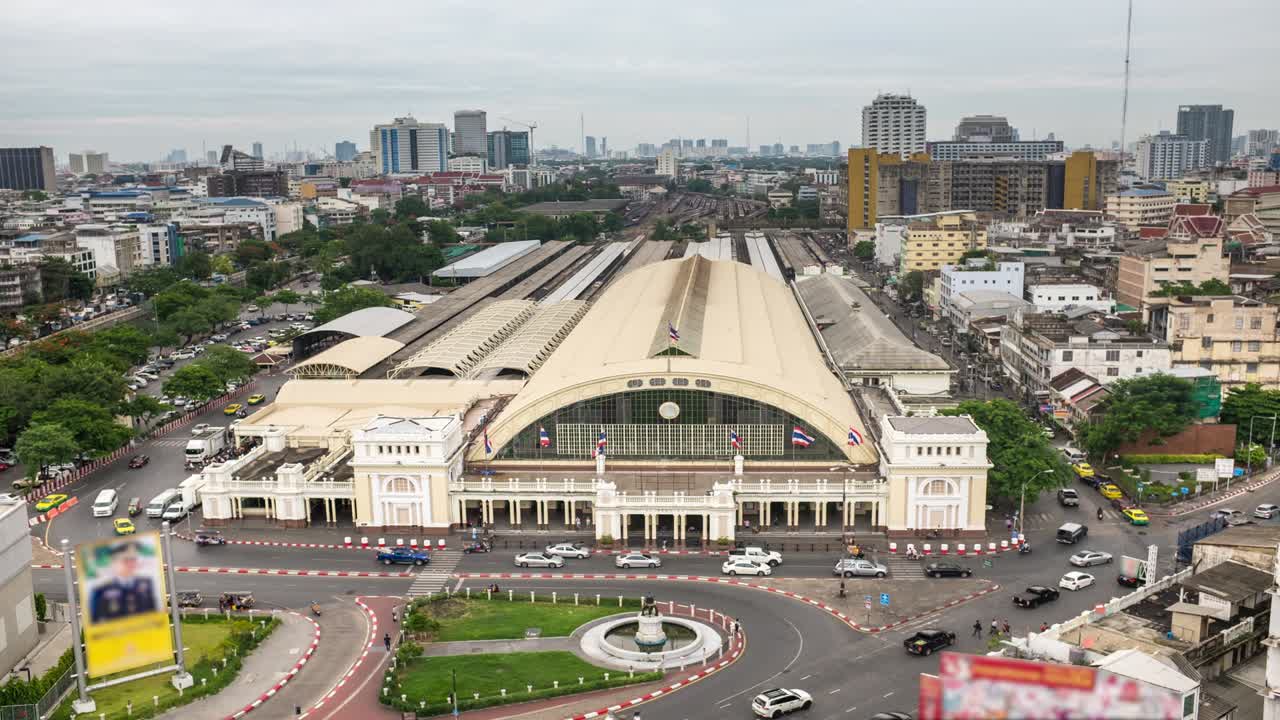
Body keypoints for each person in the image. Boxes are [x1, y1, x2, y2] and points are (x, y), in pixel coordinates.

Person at [88, 541, 159, 623]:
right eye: (125, 560)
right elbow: (95, 623)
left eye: (133, 560)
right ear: (114, 563)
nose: (131, 564)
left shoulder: (146, 583)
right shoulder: (100, 590)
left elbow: (154, 615)